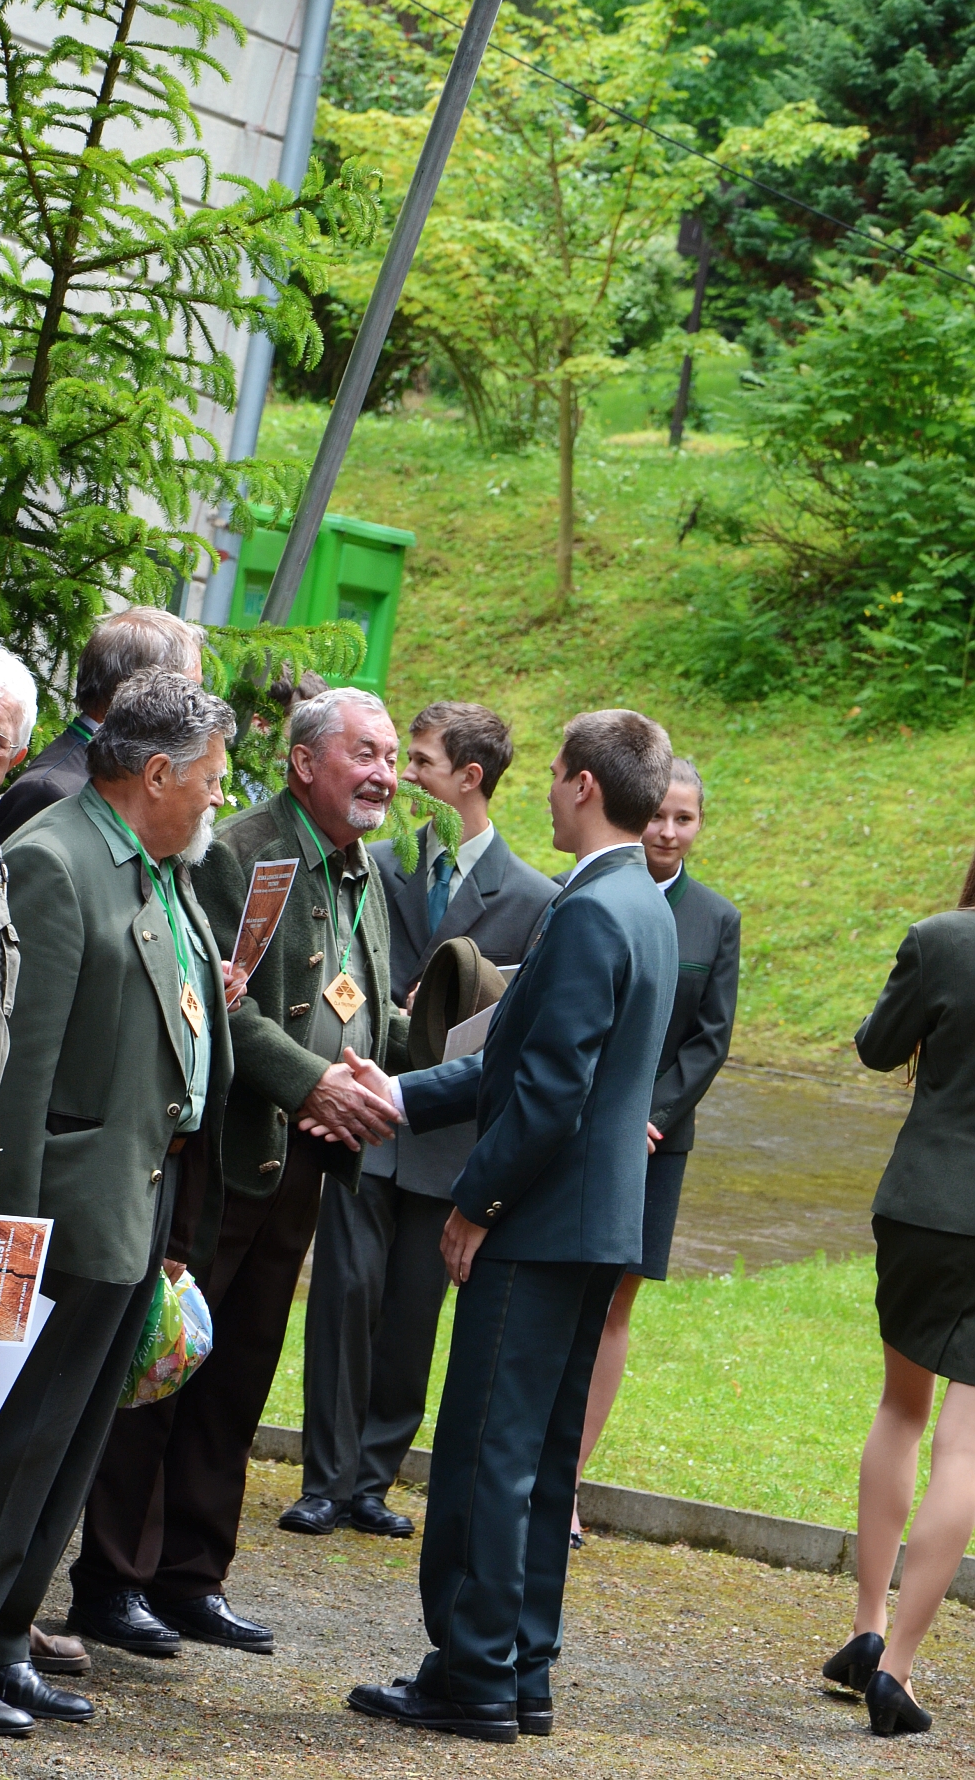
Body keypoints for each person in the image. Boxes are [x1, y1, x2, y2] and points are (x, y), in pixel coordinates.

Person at [0, 670, 237, 1737]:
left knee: (61, 1458)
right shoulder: (59, 859)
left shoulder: (156, 865)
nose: (218, 797)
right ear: (156, 773)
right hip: (56, 1217)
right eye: (210, 780)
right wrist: (11, 1240)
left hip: (129, 1208)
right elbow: (18, 1075)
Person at [346, 709, 678, 1744]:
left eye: (555, 774)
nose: (545, 790)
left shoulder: (590, 909)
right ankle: (521, 1665)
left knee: (486, 1453)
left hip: (534, 1227)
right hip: (592, 1227)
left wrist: (473, 1204)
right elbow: (516, 1061)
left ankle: (471, 1672)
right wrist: (399, 1094)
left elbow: (546, 1093)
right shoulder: (643, 901)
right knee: (536, 1459)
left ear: (583, 785)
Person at [65, 687, 408, 1658]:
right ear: (304, 762)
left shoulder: (362, 867)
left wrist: (376, 1074)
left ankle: (192, 1578)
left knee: (240, 1378)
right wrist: (311, 1083)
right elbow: (219, 1002)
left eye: (391, 757)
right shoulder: (242, 847)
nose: (384, 774)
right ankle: (114, 1580)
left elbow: (360, 999)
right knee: (169, 1361)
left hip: (309, 1160)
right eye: (364, 754)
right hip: (221, 1157)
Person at [283, 701, 557, 1537]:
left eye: (421, 763)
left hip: (446, 1136)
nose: (401, 778)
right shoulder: (371, 863)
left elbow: (524, 1029)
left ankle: (373, 1478)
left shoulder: (536, 898)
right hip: (361, 1112)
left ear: (468, 779)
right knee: (342, 1297)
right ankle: (325, 1479)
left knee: (411, 1312)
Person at [820, 856, 975, 1737]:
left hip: (923, 1207)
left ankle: (867, 1628)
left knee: (901, 1408)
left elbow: (878, 1047)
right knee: (967, 1443)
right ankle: (899, 1671)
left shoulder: (939, 940)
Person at [573, 758, 740, 1539]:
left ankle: (569, 1481)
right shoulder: (589, 894)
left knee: (614, 1303)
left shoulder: (716, 918)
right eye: (659, 816)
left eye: (686, 819)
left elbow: (710, 1040)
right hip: (578, 1125)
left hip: (656, 1144)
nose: (668, 832)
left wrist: (649, 1116)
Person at [0, 607, 204, 841]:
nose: (196, 708)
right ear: (137, 691)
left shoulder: (125, 769)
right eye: (187, 693)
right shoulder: (49, 790)